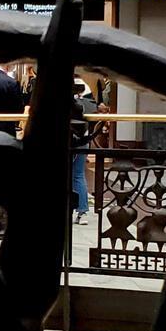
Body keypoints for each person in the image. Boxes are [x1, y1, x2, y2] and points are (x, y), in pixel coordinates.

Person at [70, 80, 98, 224]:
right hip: (82, 138)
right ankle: (82, 211)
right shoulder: (86, 94)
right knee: (79, 174)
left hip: (68, 139)